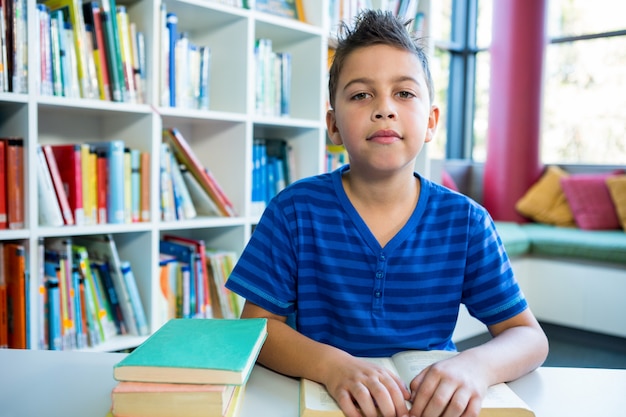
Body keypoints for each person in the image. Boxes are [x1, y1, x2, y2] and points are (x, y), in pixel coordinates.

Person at [225, 9, 548, 417]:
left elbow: (528, 337)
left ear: (431, 122)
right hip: (327, 401)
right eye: (361, 94)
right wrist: (331, 365)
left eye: (404, 93)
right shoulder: (294, 210)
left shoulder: (466, 222)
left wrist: (475, 366)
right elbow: (255, 329)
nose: (384, 109)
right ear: (334, 125)